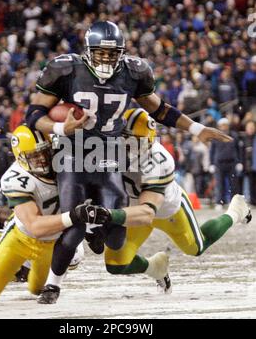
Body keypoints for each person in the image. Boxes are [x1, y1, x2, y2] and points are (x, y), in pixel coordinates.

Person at [25, 21, 232, 304]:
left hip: (110, 153)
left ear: (121, 53)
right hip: (72, 152)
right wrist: (62, 129)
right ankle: (53, 285)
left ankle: (95, 229)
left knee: (115, 239)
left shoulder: (134, 71)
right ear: (88, 50)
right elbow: (34, 113)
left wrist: (197, 128)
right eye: (101, 53)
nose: (107, 59)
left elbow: (159, 109)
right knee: (73, 223)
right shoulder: (66, 68)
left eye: (113, 54)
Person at [102, 109, 252, 292]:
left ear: (147, 140)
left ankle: (236, 211)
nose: (127, 144)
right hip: (134, 211)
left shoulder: (160, 160)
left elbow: (148, 210)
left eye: (133, 140)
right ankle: (155, 268)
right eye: (124, 137)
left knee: (196, 247)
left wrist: (108, 215)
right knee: (115, 263)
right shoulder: (107, 149)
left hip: (167, 210)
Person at [0, 125, 108, 302]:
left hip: (52, 243)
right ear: (20, 158)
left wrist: (93, 228)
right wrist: (76, 216)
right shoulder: (16, 179)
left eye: (44, 152)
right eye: (34, 156)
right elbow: (35, 227)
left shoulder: (67, 163)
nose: (41, 159)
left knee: (37, 288)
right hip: (22, 237)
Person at [209, 118, 243, 209]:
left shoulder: (234, 136)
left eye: (225, 125)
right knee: (219, 184)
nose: (223, 127)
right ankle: (220, 202)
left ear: (228, 126)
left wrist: (239, 162)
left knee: (233, 184)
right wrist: (211, 163)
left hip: (232, 163)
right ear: (219, 126)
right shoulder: (215, 136)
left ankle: (234, 203)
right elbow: (211, 151)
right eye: (222, 125)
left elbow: (239, 150)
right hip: (219, 164)